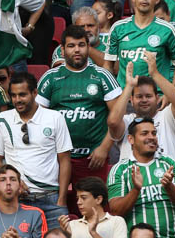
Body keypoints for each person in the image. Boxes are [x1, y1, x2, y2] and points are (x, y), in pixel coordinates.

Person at [38, 26, 121, 187]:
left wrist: (104, 148)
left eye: (81, 45)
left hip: (93, 159)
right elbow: (37, 119)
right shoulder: (50, 77)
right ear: (62, 50)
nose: (77, 50)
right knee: (60, 207)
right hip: (57, 158)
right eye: (71, 46)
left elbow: (118, 118)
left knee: (94, 208)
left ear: (88, 47)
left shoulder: (102, 75)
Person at [0, 71, 72, 228]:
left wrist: (61, 200)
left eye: (22, 95)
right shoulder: (3, 119)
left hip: (51, 200)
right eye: (13, 95)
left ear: (35, 93)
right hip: (17, 199)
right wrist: (12, 182)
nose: (17, 100)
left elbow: (65, 160)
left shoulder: (54, 118)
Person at [104, 0, 175, 87]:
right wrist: (113, 94)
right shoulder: (118, 28)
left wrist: (168, 94)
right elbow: (108, 66)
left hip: (157, 98)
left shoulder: (168, 30)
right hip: (125, 97)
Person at [110, 53, 175, 165]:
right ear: (131, 100)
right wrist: (129, 86)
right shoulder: (127, 121)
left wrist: (155, 74)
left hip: (169, 180)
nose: (144, 100)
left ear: (157, 98)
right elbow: (113, 122)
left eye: (148, 96)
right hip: (133, 180)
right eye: (139, 96)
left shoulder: (167, 116)